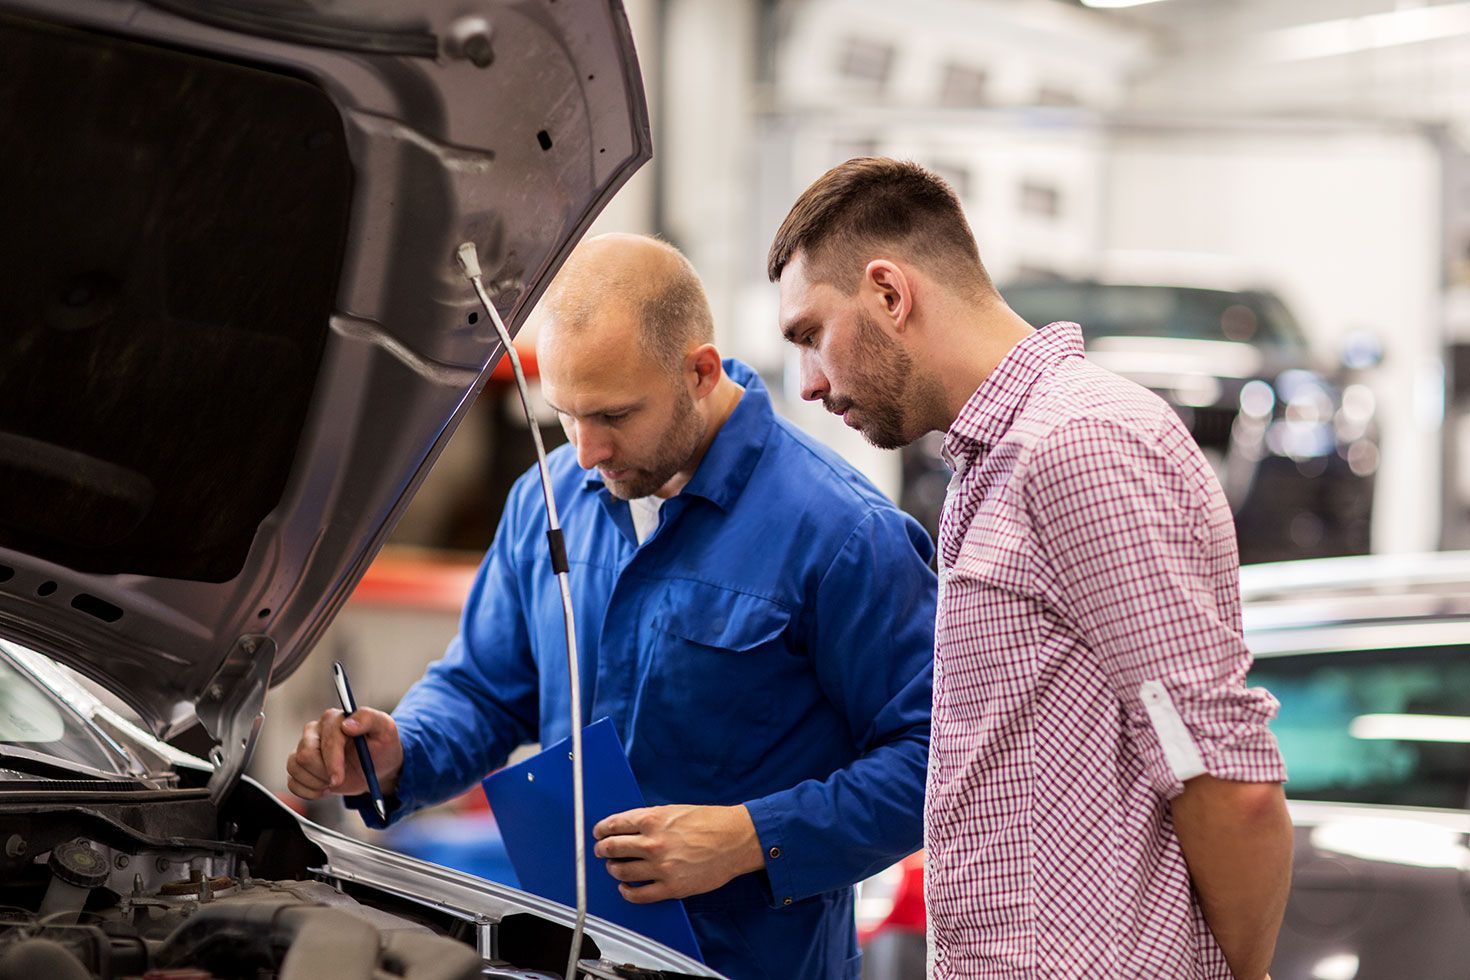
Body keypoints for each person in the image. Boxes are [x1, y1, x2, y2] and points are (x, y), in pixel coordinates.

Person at [285, 233, 937, 980]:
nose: (586, 451)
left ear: (698, 372)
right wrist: (403, 752)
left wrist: (749, 837)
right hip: (573, 954)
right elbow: (486, 689)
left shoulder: (844, 535)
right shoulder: (547, 499)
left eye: (614, 416)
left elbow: (930, 767)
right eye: (566, 414)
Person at [766, 158, 1292, 980]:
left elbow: (1227, 778)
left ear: (889, 293)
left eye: (810, 335)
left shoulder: (1077, 447)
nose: (808, 383)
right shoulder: (998, 462)